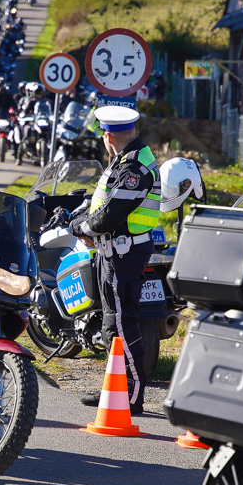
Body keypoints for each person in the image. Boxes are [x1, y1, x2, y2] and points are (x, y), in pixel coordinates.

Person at [68, 106, 161, 415]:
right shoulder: (125, 161)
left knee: (122, 324)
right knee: (113, 323)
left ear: (108, 135)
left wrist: (82, 227)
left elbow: (113, 212)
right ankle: (116, 386)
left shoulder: (135, 168)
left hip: (124, 252)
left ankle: (131, 394)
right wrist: (80, 219)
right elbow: (103, 203)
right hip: (114, 250)